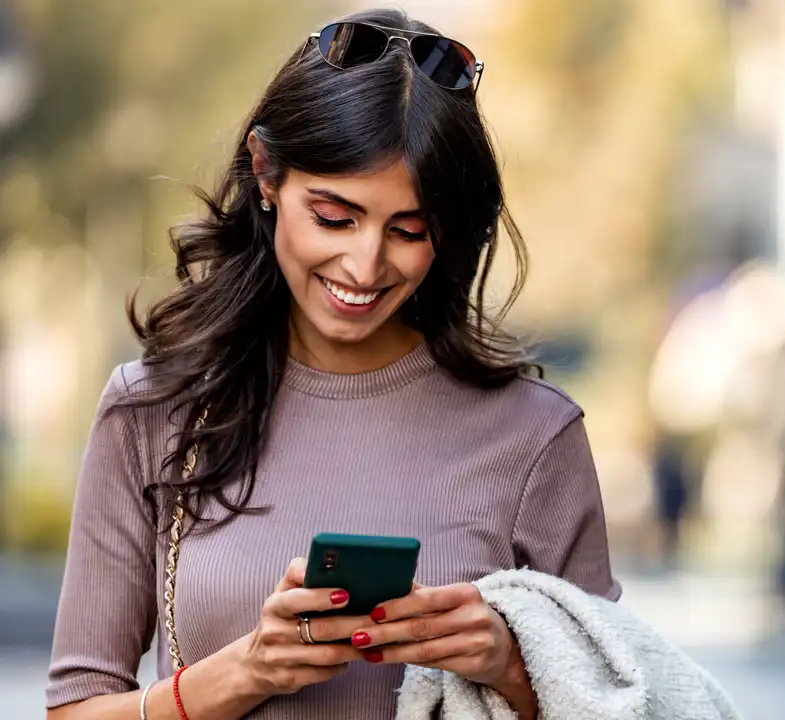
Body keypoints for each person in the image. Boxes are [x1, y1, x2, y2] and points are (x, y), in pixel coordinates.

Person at [45, 9, 618, 720]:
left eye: (409, 230)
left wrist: (508, 665)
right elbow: (75, 708)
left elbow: (618, 699)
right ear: (265, 174)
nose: (365, 264)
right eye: (334, 216)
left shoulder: (535, 439)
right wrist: (244, 673)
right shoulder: (153, 409)